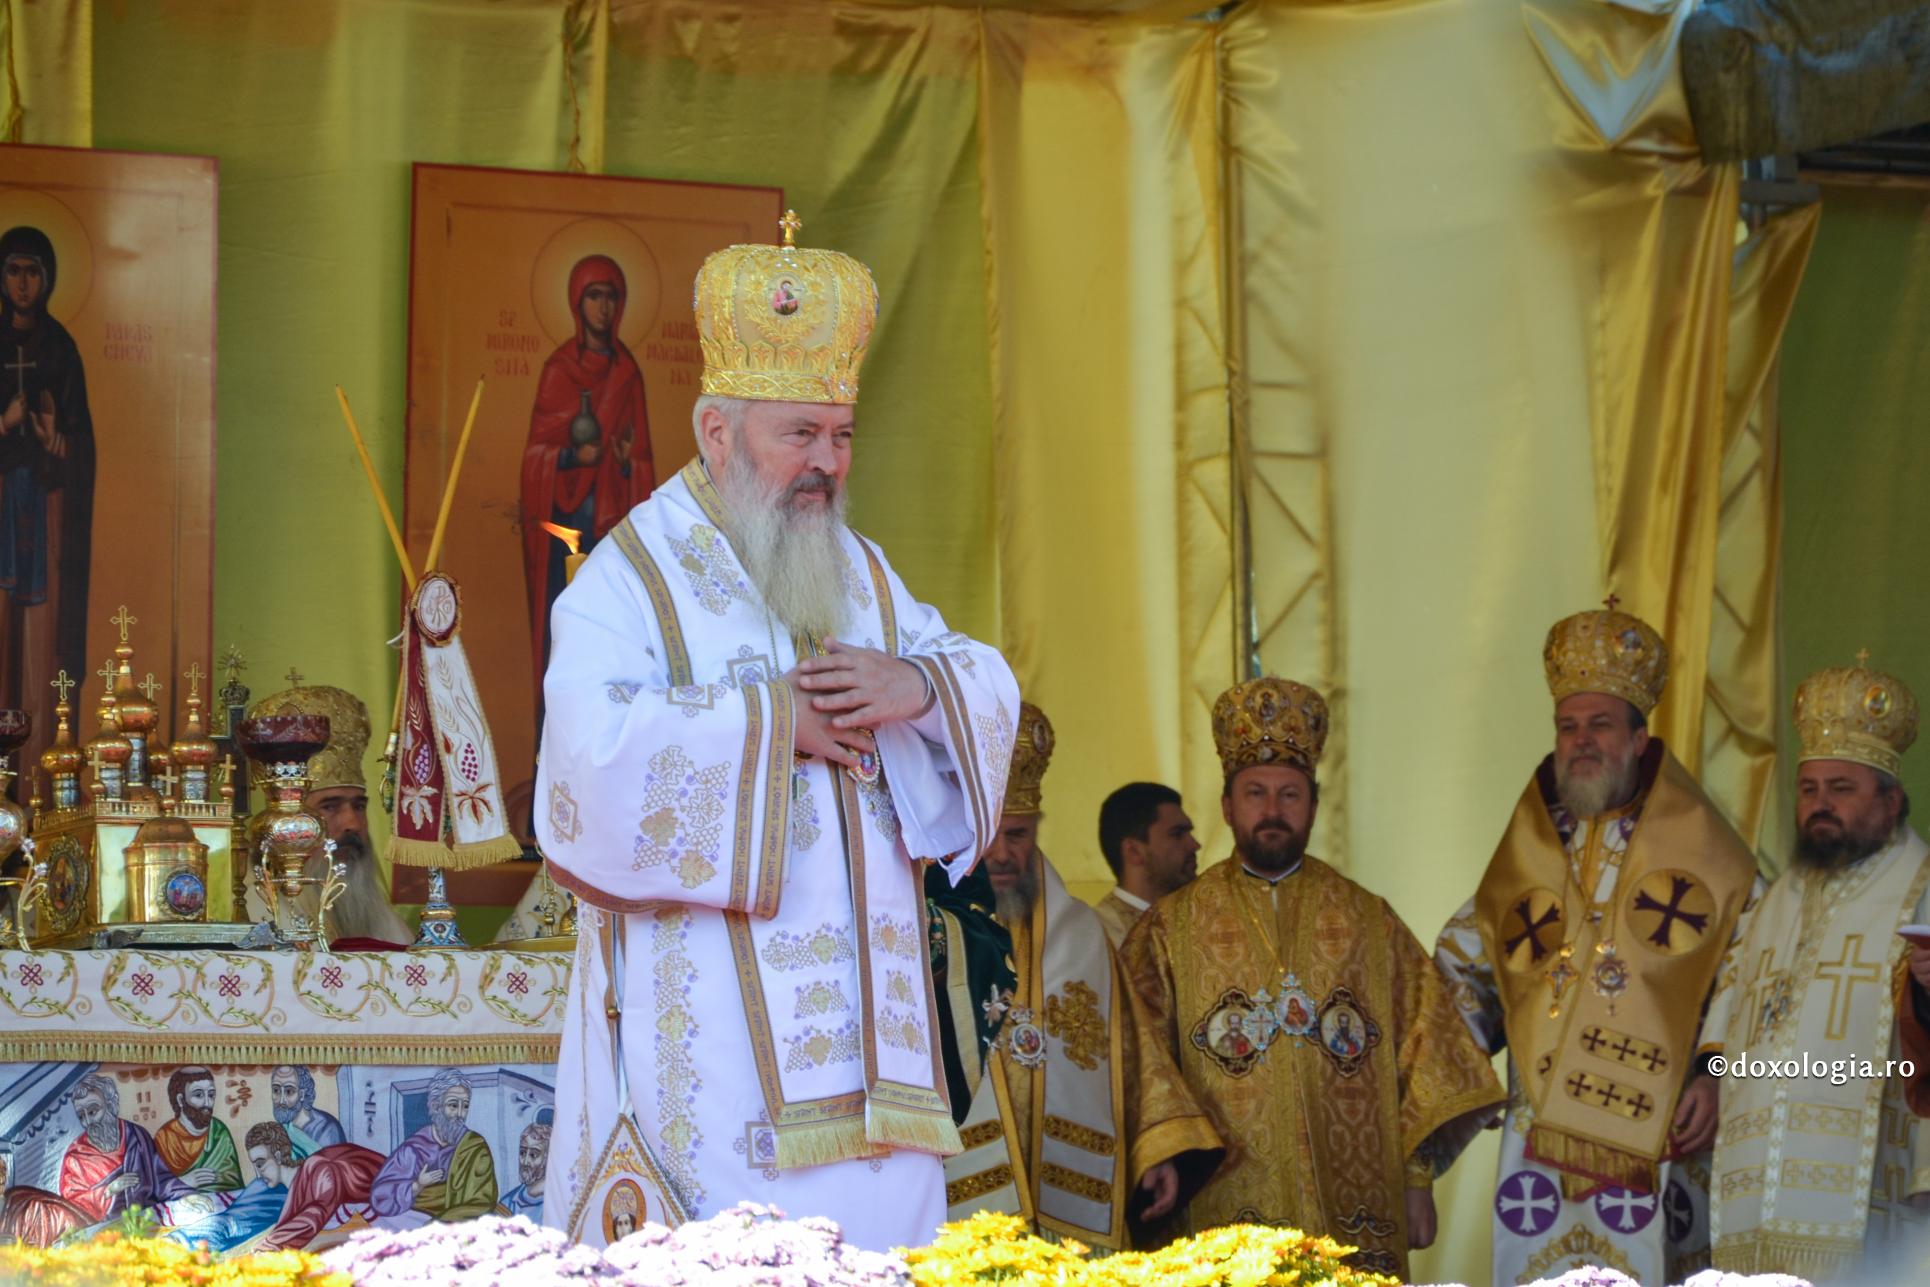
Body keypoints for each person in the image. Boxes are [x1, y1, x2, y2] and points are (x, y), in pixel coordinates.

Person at [534, 212, 1017, 1251]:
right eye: (798, 435)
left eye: (841, 437)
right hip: (711, 1054)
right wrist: (769, 725)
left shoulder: (862, 574)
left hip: (873, 1070)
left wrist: (915, 687)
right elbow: (582, 768)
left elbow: (982, 682)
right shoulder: (631, 578)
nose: (826, 466)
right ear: (718, 432)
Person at [1122, 677, 1502, 1279]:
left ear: (1314, 805)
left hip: (1352, 1202)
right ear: (1227, 806)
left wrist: (1417, 1179)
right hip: (1219, 1204)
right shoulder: (1170, 929)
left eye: (1289, 795)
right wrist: (1160, 1152)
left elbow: (1427, 1049)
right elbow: (1138, 1054)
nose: (1272, 811)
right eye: (1255, 793)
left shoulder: (1367, 920)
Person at [1434, 603, 1758, 1285]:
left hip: (1659, 1125)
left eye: (1600, 724)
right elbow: (1468, 962)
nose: (1581, 741)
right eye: (1568, 725)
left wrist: (1716, 1072)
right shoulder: (1533, 851)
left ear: (1640, 739)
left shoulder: (1704, 853)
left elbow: (1752, 961)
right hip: (1538, 1136)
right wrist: (1453, 1081)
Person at [944, 704, 1221, 1248]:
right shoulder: (926, 932)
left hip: (1068, 1206)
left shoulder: (1083, 936)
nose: (1002, 854)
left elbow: (1134, 1057)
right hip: (958, 1199)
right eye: (990, 834)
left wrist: (1155, 1149)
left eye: (1018, 835)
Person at [1705, 656, 1930, 1276]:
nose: (1820, 805)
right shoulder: (1776, 898)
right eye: (1809, 789)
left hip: (1870, 1182)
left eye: (1842, 789)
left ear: (1890, 799)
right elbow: (1731, 990)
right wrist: (1706, 1070)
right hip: (1754, 1182)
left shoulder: (1924, 888)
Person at [521, 254, 655, 702]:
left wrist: (621, 462)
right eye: (594, 296)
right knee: (565, 634)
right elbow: (535, 453)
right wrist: (569, 457)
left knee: (612, 638)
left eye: (611, 297)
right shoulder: (559, 369)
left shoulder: (627, 373)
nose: (603, 307)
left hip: (613, 530)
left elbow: (642, 459)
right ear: (577, 303)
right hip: (566, 527)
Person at [0, 224, 94, 729]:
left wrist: (58, 440)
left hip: (45, 511)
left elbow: (79, 442)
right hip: (0, 509)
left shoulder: (61, 349)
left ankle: (37, 759)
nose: (22, 284)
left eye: (32, 272)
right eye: (13, 270)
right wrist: (6, 424)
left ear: (49, 278)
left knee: (38, 635)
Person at [246, 678, 412, 946]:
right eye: (330, 806)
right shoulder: (253, 914)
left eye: (359, 806)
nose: (352, 824)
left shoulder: (384, 920)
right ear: (285, 822)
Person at [58, 1073, 192, 1222]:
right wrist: (108, 1191)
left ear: (112, 1104)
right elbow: (73, 1207)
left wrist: (186, 1195)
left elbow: (160, 1178)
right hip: (106, 1233)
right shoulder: (76, 1157)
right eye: (81, 1116)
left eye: (92, 1112)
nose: (88, 1122)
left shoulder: (136, 1136)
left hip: (148, 1220)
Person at [368, 1069, 497, 1224]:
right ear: (436, 1106)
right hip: (414, 1219)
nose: (460, 1114)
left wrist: (438, 1225)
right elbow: (380, 1198)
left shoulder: (474, 1147)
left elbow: (481, 1202)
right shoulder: (415, 1149)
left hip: (454, 1224)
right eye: (453, 1105)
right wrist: (417, 1186)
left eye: (465, 1106)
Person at [1094, 782, 1200, 948]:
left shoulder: (1202, 922)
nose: (1195, 845)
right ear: (1134, 851)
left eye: (1189, 833)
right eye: (1177, 834)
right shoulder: (1097, 937)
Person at [164, 1123, 298, 1253]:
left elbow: (230, 1223)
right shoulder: (264, 1184)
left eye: (260, 1164)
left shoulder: (301, 1182)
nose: (258, 1174)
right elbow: (229, 1221)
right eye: (255, 1166)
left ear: (279, 1156)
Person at [154, 1067, 241, 1192]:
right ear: (180, 1100)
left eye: (211, 1095)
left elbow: (231, 1183)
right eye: (198, 1095)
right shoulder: (165, 1138)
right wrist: (184, 1182)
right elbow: (156, 1187)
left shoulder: (218, 1131)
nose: (207, 1102)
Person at [269, 1065, 346, 1159]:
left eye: (289, 1091)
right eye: (276, 1090)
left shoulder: (327, 1129)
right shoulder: (281, 1129)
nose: (281, 1101)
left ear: (302, 1094)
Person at [494, 1122, 550, 1221]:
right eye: (523, 1153)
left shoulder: (554, 1205)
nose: (525, 1162)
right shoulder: (507, 1204)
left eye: (533, 1155)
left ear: (547, 1159)